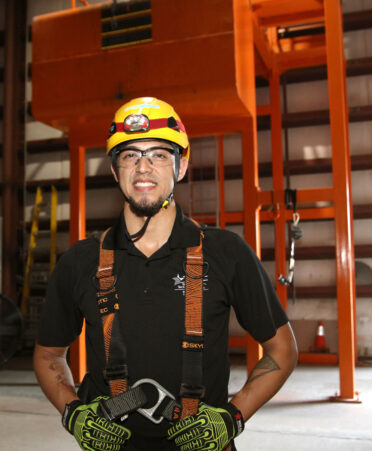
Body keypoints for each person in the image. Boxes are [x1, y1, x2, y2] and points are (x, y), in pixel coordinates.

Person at [34, 97, 298, 451]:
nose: (143, 167)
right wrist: (73, 413)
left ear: (181, 166)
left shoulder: (226, 254)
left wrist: (232, 417)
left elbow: (282, 349)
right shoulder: (80, 262)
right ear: (115, 171)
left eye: (158, 154)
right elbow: (48, 353)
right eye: (130, 155)